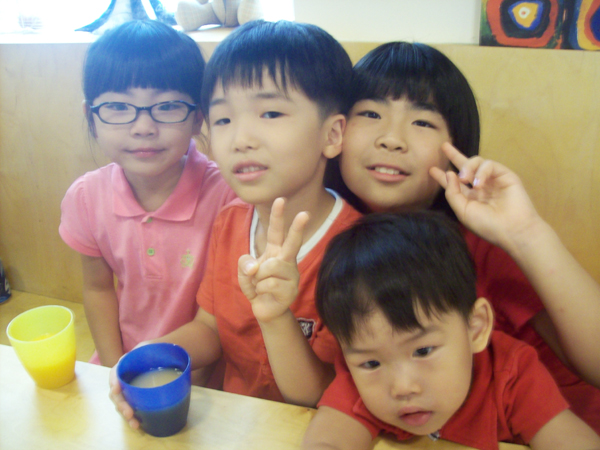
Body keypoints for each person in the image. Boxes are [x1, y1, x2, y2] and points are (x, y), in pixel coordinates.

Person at [325, 41, 600, 432]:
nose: (391, 138)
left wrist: (526, 233)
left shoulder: (480, 245)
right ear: (335, 130)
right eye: (370, 113)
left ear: (456, 147)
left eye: (423, 122)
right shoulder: (333, 242)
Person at [109, 19, 362, 428]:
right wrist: (150, 353)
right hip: (235, 423)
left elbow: (317, 396)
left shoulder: (359, 249)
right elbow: (210, 329)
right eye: (223, 120)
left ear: (332, 135)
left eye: (270, 112)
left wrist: (277, 318)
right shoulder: (230, 222)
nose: (241, 139)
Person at [303, 212, 600, 450]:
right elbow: (328, 441)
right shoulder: (360, 379)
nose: (403, 387)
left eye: (422, 351)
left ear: (476, 328)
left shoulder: (512, 373)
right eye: (371, 363)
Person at [59, 20, 236, 369]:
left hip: (208, 371)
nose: (143, 128)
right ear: (91, 117)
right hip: (125, 363)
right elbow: (98, 289)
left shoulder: (228, 197)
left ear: (198, 118)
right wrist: (115, 368)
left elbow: (223, 315)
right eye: (119, 107)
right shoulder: (86, 198)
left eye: (167, 106)